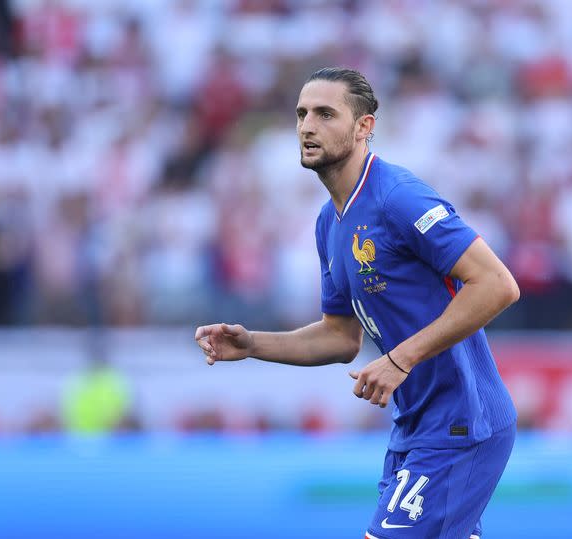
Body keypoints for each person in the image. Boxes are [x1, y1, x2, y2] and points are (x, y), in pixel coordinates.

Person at [195, 67, 519, 539]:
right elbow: (341, 336)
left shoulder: (398, 198)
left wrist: (399, 359)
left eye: (326, 114)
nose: (308, 126)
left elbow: (497, 284)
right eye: (302, 113)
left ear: (364, 127)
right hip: (414, 426)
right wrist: (252, 345)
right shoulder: (330, 222)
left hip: (462, 424)